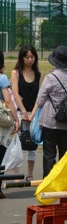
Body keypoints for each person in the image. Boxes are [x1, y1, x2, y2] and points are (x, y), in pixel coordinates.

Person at [32, 46, 67, 178]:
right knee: (65, 155)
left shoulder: (50, 78)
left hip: (50, 122)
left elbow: (40, 100)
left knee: (49, 155)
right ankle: (63, 182)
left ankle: (48, 182)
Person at [10, 45, 41, 181]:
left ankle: (30, 174)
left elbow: (40, 96)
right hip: (19, 113)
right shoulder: (16, 73)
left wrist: (32, 114)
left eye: (32, 57)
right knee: (16, 145)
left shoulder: (38, 74)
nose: (29, 60)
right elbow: (15, 93)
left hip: (33, 113)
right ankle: (16, 175)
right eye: (27, 57)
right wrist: (23, 112)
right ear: (22, 58)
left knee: (32, 146)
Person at [0, 50, 19, 198]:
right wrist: (15, 118)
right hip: (1, 121)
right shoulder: (2, 78)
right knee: (1, 154)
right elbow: (7, 100)